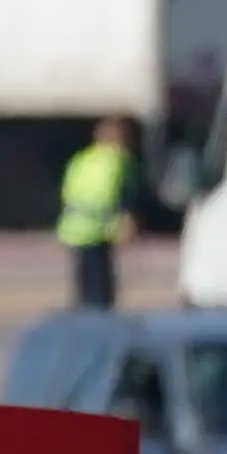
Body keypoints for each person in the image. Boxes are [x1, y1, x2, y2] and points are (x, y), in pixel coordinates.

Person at [56, 112, 139, 310]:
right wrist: (126, 224)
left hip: (75, 229)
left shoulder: (82, 160)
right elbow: (125, 196)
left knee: (83, 285)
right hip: (100, 230)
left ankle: (84, 315)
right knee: (102, 288)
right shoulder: (118, 161)